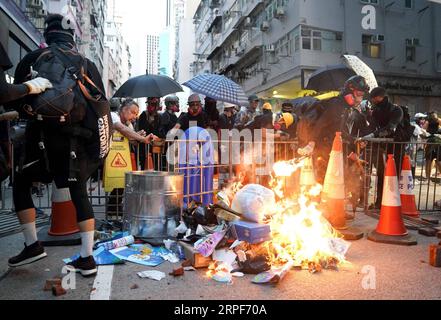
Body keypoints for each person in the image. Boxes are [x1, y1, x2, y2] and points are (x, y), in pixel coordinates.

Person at [7, 14, 107, 276]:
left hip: (40, 146)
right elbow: (101, 110)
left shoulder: (31, 60)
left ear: (47, 35)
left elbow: (15, 102)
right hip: (76, 147)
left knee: (21, 184)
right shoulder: (87, 65)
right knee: (80, 194)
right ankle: (87, 258)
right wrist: (99, 154)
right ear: (72, 37)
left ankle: (32, 245)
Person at [297, 75, 370, 183]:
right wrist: (311, 144)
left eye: (362, 95)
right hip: (323, 149)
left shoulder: (345, 108)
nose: (360, 98)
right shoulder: (337, 105)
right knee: (324, 181)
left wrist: (353, 141)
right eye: (359, 94)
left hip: (329, 150)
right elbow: (321, 124)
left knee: (331, 182)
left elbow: (339, 130)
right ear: (350, 91)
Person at [107, 99, 157, 215]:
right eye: (133, 112)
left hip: (120, 156)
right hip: (108, 155)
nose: (134, 116)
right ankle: (112, 208)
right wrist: (142, 138)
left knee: (121, 181)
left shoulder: (129, 123)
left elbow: (133, 140)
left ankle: (114, 208)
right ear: (123, 109)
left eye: (136, 114)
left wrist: (140, 135)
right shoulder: (113, 116)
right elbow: (122, 129)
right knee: (115, 181)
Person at [360, 86, 404, 209]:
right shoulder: (376, 110)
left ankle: (393, 202)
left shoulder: (396, 109)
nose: (373, 100)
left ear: (381, 97)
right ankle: (380, 202)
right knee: (380, 174)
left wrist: (374, 135)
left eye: (375, 98)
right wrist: (365, 138)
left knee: (394, 175)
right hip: (381, 146)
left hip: (396, 147)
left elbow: (391, 127)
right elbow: (372, 126)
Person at [138, 97, 162, 170]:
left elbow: (160, 131)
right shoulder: (143, 115)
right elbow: (141, 130)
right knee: (144, 164)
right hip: (144, 146)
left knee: (156, 165)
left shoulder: (159, 116)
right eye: (149, 104)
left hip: (155, 146)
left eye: (153, 104)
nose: (151, 106)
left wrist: (157, 137)